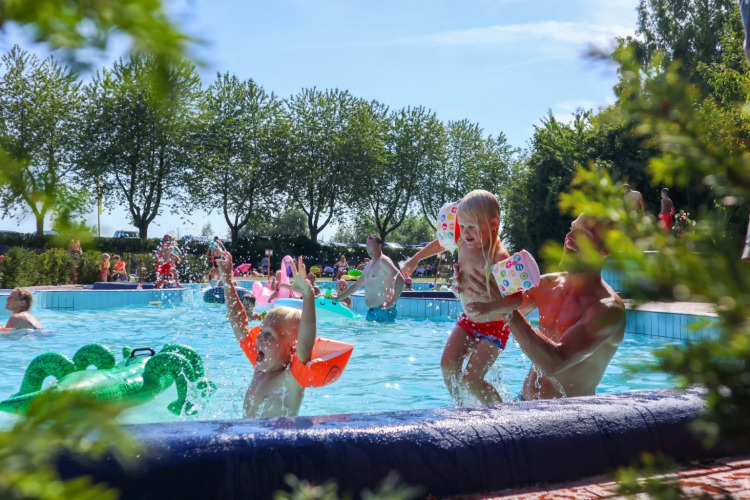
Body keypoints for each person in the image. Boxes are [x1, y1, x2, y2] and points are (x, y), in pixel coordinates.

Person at [460, 214, 626, 401]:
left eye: (584, 233)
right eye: (572, 228)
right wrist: (467, 287)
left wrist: (505, 306)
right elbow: (490, 317)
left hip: (569, 418)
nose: (570, 236)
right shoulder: (547, 284)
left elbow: (554, 362)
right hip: (523, 403)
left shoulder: (608, 310)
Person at [402, 190, 520, 404]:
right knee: (447, 366)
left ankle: (504, 415)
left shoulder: (499, 257)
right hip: (469, 321)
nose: (465, 233)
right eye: (462, 226)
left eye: (472, 227)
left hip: (494, 328)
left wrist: (490, 307)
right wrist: (415, 259)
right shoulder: (463, 242)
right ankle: (462, 409)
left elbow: (517, 300)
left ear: (494, 224)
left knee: (471, 380)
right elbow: (440, 242)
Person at [217, 250, 318, 418]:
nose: (259, 337)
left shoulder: (290, 380)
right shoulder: (261, 367)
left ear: (292, 348)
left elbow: (306, 341)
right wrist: (228, 281)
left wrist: (308, 296)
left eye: (269, 334)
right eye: (261, 331)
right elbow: (240, 326)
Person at [335, 235, 405, 323]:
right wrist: (338, 298)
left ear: (379, 246)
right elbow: (357, 285)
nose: (367, 247)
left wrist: (392, 303)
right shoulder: (370, 264)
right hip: (371, 312)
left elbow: (400, 279)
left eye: (370, 245)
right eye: (367, 245)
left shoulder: (383, 261)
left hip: (383, 310)